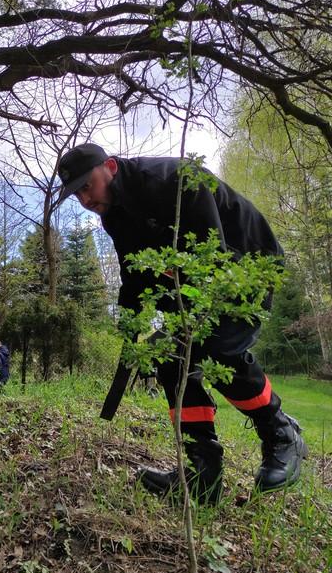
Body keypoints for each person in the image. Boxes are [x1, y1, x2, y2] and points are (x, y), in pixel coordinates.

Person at [57, 143, 308, 504]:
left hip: (248, 264)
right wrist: (131, 318)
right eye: (76, 194)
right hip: (193, 281)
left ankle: (281, 433)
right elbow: (133, 272)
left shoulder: (172, 180)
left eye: (86, 186)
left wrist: (176, 290)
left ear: (109, 166)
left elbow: (212, 252)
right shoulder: (113, 214)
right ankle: (203, 473)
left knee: (217, 347)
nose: (84, 199)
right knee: (169, 356)